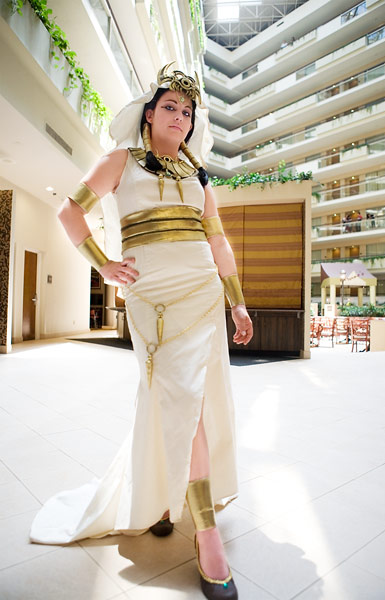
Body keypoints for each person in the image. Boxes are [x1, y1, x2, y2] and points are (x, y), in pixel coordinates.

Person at [29, 64, 253, 600]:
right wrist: (103, 265)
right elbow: (69, 212)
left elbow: (218, 242)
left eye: (187, 111)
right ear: (149, 114)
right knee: (169, 398)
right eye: (169, 107)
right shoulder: (121, 161)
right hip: (152, 300)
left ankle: (194, 524)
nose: (179, 117)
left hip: (201, 294)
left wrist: (238, 303)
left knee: (192, 401)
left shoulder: (198, 177)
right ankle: (177, 510)